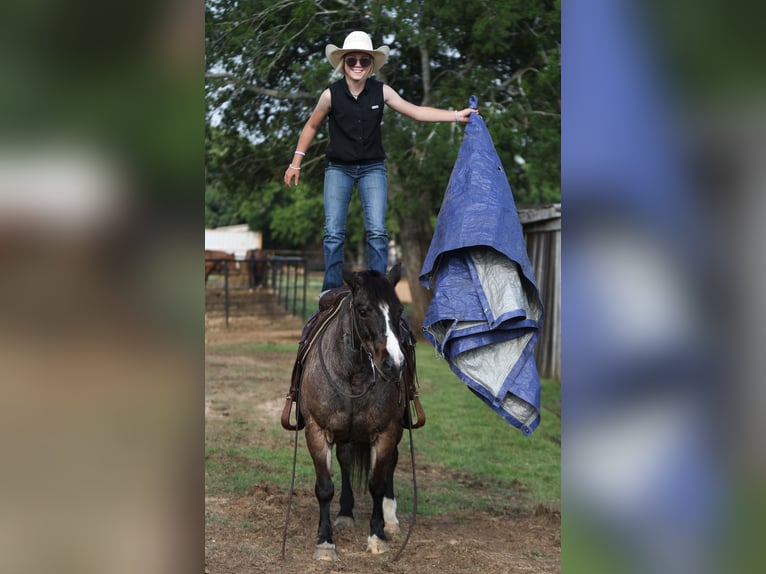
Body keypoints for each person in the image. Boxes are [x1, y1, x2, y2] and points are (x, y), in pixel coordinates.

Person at [284, 30, 478, 293]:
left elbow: (417, 112)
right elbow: (311, 126)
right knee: (333, 233)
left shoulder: (381, 91)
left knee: (377, 231)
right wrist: (296, 163)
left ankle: (377, 287)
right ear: (343, 63)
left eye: (363, 61)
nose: (357, 66)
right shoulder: (330, 95)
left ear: (371, 65)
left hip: (372, 169)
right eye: (352, 60)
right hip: (338, 169)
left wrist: (456, 115)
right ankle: (329, 290)